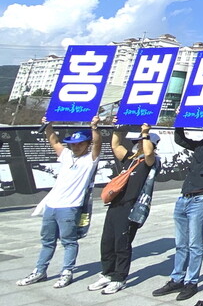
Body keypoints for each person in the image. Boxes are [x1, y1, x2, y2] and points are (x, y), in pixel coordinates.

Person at [153, 106, 203, 302]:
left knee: (195, 244)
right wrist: (179, 117)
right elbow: (180, 139)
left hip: (200, 199)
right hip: (184, 198)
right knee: (181, 244)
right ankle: (177, 278)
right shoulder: (200, 145)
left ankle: (191, 282)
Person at [18, 116, 102, 288]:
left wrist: (94, 128)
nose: (76, 146)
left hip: (70, 207)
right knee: (47, 241)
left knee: (69, 241)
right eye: (73, 143)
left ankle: (67, 272)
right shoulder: (66, 155)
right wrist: (48, 126)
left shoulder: (90, 160)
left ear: (87, 144)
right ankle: (40, 271)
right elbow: (54, 140)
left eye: (80, 143)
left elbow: (98, 144)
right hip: (51, 205)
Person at [88, 122, 160, 295]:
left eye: (141, 141)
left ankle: (119, 277)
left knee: (122, 243)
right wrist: (118, 128)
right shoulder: (131, 159)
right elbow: (115, 144)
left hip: (131, 207)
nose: (138, 144)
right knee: (107, 241)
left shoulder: (151, 162)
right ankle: (107, 273)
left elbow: (149, 153)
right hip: (115, 205)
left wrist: (145, 133)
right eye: (137, 141)